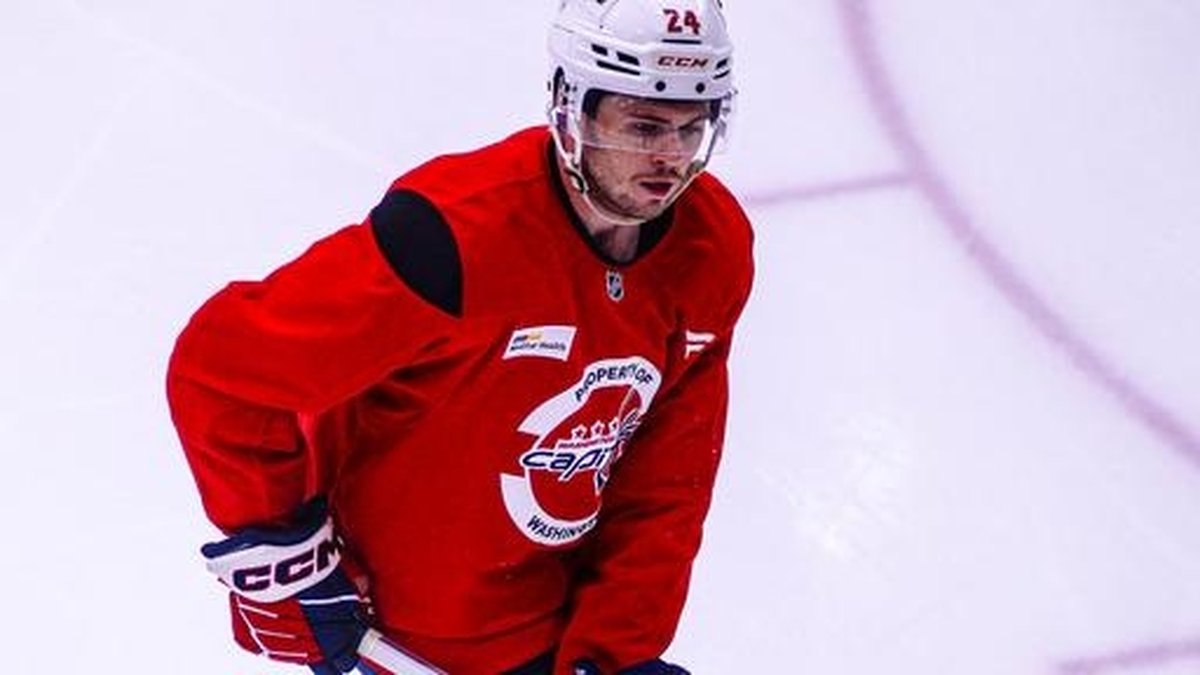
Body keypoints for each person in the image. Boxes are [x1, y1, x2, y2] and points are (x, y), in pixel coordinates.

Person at [167, 0, 753, 673]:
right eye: (643, 127)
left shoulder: (711, 251)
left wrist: (612, 653)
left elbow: (667, 482)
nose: (671, 158)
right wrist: (289, 557)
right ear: (572, 108)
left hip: (554, 636)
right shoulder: (456, 237)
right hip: (391, 639)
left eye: (691, 128)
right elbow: (221, 368)